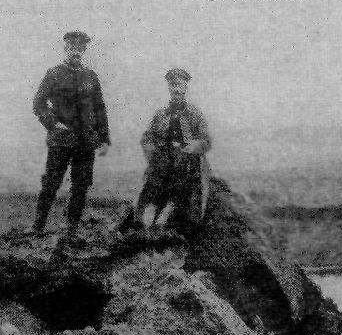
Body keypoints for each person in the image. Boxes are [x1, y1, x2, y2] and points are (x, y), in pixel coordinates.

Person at [31, 31, 110, 238]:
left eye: (80, 48)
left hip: (86, 141)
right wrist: (53, 123)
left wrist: (103, 138)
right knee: (51, 182)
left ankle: (72, 229)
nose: (76, 52)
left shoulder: (91, 76)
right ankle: (38, 226)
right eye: (72, 48)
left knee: (81, 185)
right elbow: (38, 104)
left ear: (84, 50)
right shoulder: (54, 74)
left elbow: (100, 108)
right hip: (61, 140)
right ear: (65, 49)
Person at [126, 68, 211, 234]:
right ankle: (143, 218)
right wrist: (152, 151)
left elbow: (206, 140)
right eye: (173, 85)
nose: (176, 89)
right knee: (147, 195)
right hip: (162, 164)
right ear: (169, 88)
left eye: (180, 85)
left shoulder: (195, 114)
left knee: (183, 206)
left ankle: (173, 217)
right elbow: (147, 138)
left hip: (187, 165)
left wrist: (194, 145)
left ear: (185, 88)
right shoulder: (160, 115)